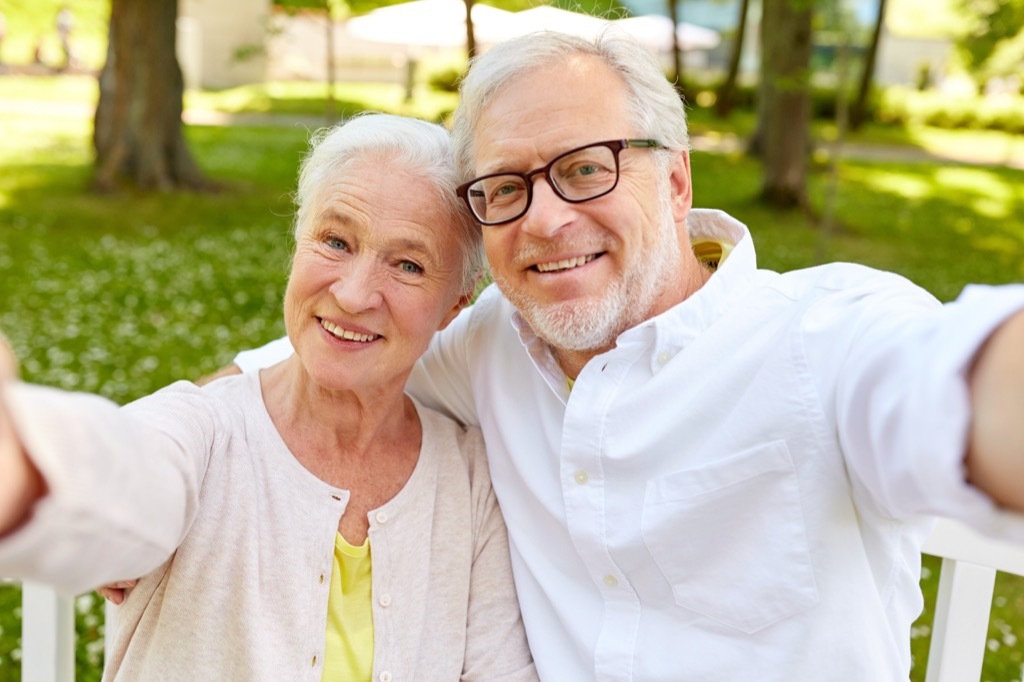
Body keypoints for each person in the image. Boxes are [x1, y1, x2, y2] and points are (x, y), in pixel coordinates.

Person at [231, 29, 1024, 680]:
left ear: (676, 181)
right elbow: (291, 369)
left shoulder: (829, 340)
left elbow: (953, 385)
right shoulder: (486, 344)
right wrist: (163, 480)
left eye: (584, 169)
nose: (543, 221)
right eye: (505, 187)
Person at [0, 113, 536, 681]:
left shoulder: (471, 480)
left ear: (455, 305)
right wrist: (25, 459)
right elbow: (129, 476)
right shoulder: (204, 431)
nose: (354, 295)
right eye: (335, 241)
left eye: (408, 264)